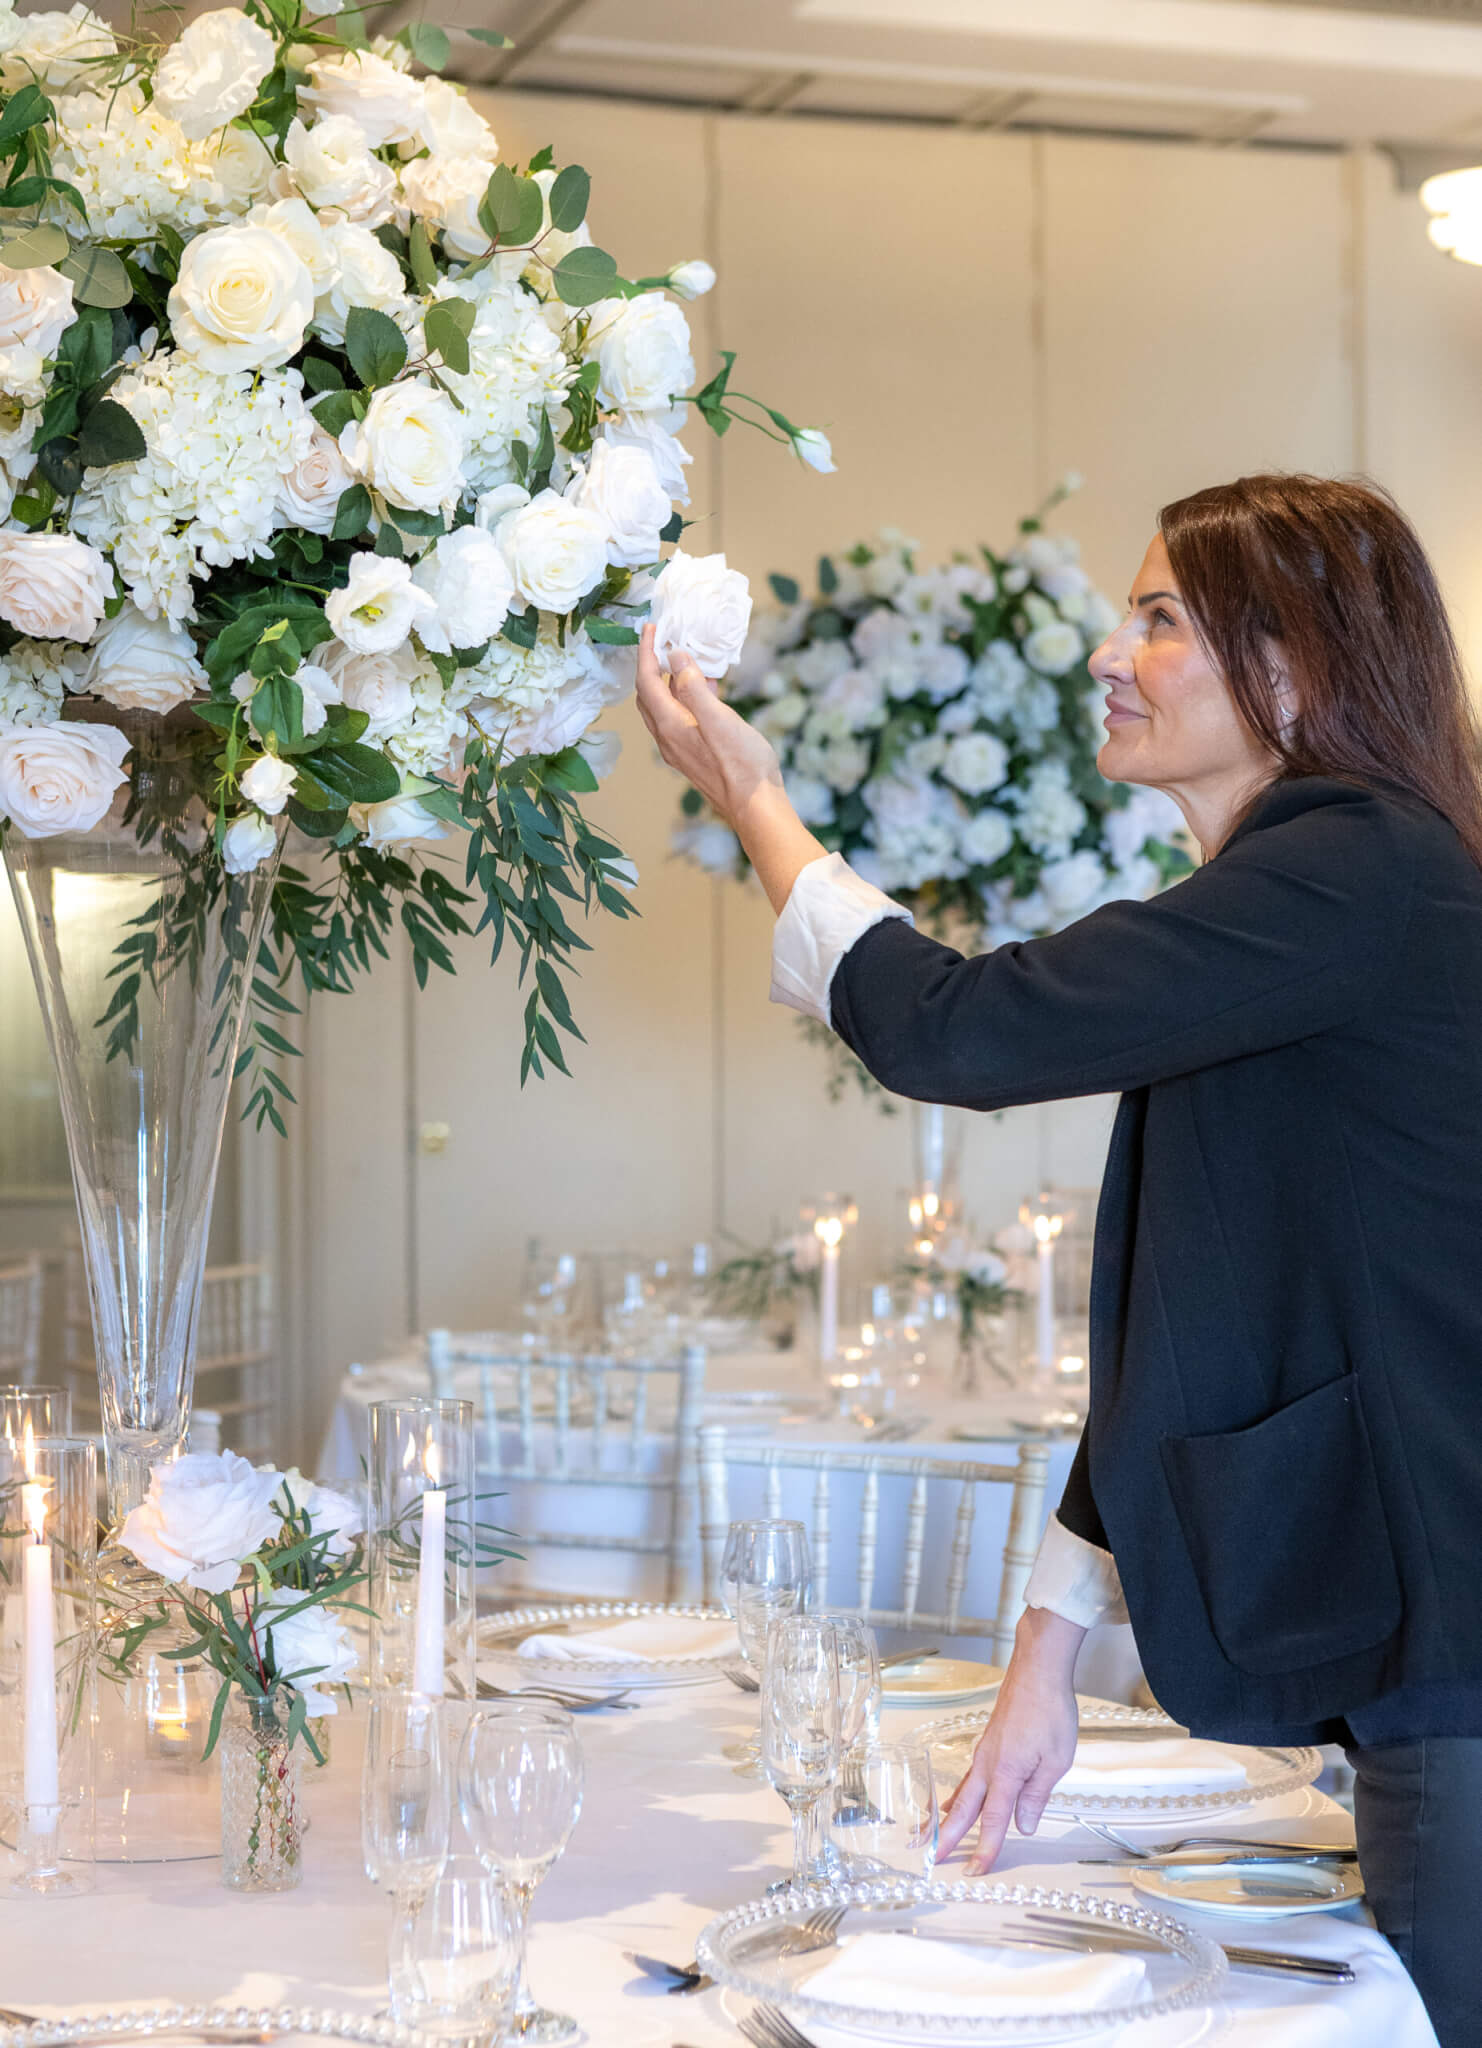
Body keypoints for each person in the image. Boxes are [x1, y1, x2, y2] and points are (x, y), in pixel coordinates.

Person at [635, 473, 1482, 2046]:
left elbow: (958, 1032)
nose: (1108, 651)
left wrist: (754, 797)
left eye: (1158, 619)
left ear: (1290, 668)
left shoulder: (1352, 869)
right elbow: (1194, 1325)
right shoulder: (1324, 885)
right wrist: (1045, 1653)